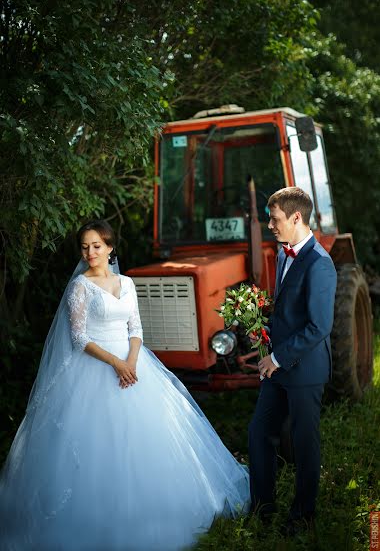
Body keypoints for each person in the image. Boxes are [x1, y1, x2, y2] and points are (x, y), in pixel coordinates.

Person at [0, 220, 250, 551]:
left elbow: (136, 328)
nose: (91, 253)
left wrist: (131, 361)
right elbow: (78, 338)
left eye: (97, 246)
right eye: (85, 247)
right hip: (94, 365)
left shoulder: (127, 283)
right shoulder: (80, 287)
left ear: (110, 247)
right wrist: (115, 363)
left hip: (132, 364)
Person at [248, 187, 337, 535]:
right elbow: (287, 312)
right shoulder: (284, 255)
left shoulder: (321, 264)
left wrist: (277, 357)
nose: (270, 224)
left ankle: (302, 518)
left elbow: (319, 325)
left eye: (275, 219)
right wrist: (263, 330)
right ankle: (262, 509)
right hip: (278, 367)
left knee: (303, 443)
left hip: (304, 371)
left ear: (296, 218)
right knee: (259, 433)